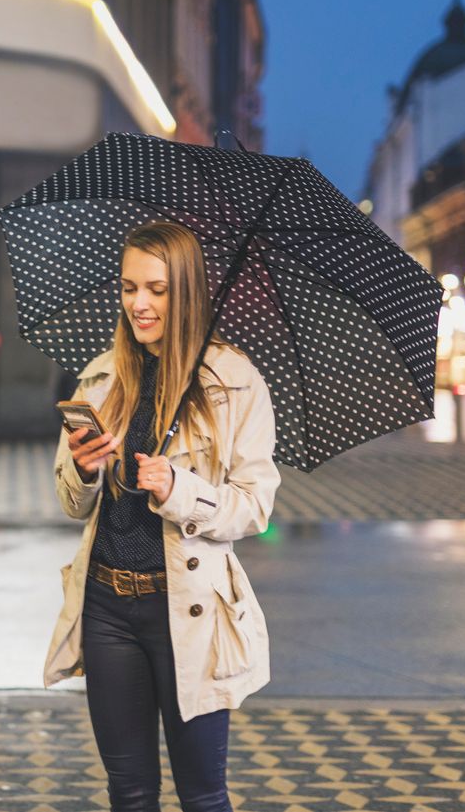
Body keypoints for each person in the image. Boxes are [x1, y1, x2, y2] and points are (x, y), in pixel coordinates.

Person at [44, 221, 280, 812]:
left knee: (203, 797)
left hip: (189, 612)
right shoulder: (101, 378)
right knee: (129, 794)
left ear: (188, 292)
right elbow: (71, 504)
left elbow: (254, 506)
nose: (139, 304)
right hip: (105, 608)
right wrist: (86, 469)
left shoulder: (234, 383)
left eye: (156, 289)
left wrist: (181, 489)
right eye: (128, 288)